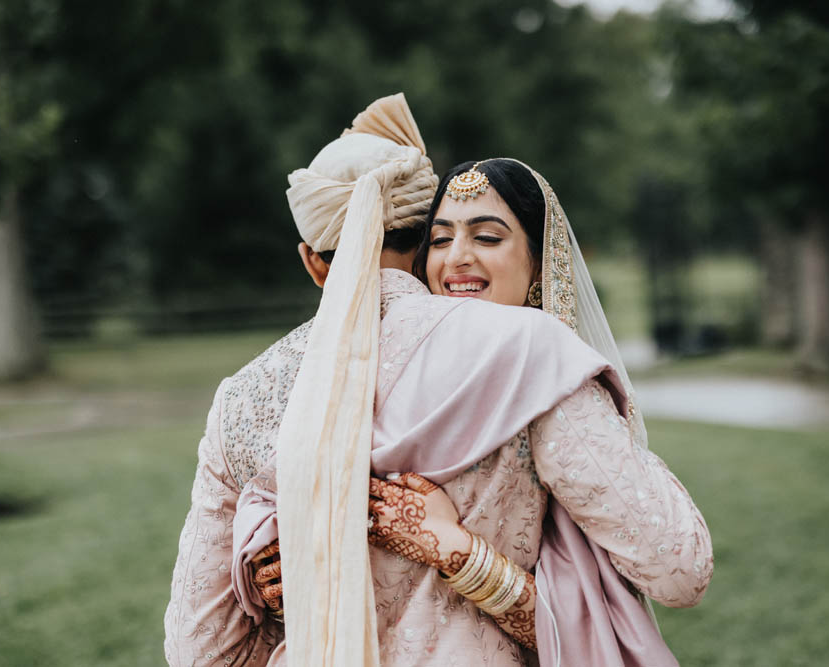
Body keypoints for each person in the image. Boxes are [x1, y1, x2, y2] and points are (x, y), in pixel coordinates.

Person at [235, 157, 713, 666]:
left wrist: (453, 548)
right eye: (439, 241)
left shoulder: (547, 372)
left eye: (486, 238)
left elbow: (678, 569)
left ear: (540, 260)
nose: (457, 258)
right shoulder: (364, 379)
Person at [163, 93, 439, 665]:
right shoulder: (510, 354)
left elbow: (201, 648)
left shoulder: (243, 397)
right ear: (432, 241)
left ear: (313, 262)